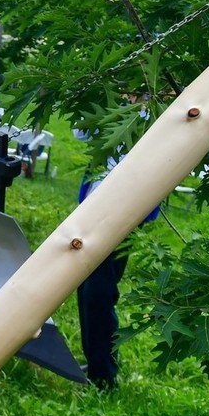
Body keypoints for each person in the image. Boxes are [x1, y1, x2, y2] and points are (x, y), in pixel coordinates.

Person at [74, 94, 159, 389]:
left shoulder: (155, 116)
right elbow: (80, 130)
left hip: (124, 212)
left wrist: (142, 105)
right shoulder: (111, 105)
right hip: (92, 207)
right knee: (86, 287)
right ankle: (97, 361)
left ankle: (104, 374)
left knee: (99, 290)